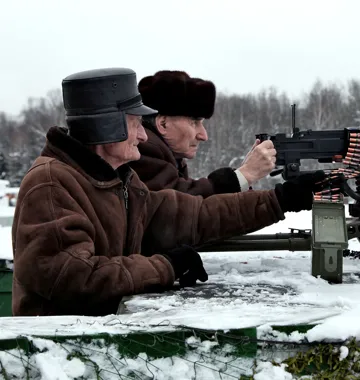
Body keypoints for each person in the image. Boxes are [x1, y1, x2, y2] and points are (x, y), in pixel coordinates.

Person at [11, 67, 325, 317]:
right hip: (61, 353)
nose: (143, 137)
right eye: (135, 124)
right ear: (106, 128)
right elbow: (74, 277)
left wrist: (279, 199)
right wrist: (166, 266)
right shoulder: (52, 184)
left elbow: (193, 215)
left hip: (100, 334)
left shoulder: (119, 180)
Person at [129, 70, 272, 196]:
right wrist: (245, 175)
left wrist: (243, 174)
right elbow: (187, 210)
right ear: (163, 123)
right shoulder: (142, 151)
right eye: (194, 122)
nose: (203, 136)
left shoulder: (167, 155)